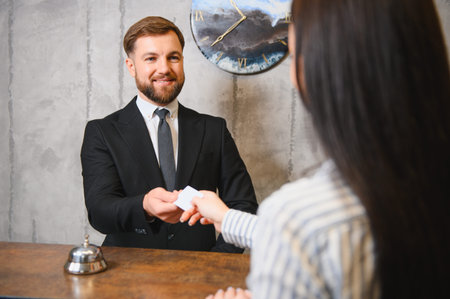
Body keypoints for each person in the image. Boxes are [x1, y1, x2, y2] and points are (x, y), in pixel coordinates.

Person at [181, 0, 450, 297]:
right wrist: (226, 218)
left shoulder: (298, 219)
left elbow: (299, 236)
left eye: (295, 57)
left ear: (322, 74)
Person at [80, 16, 258, 253]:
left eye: (173, 57)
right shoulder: (101, 132)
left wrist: (217, 261)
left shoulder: (213, 129)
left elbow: (243, 205)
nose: (164, 69)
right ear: (131, 66)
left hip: (201, 273)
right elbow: (100, 212)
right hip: (126, 275)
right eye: (151, 58)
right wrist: (144, 205)